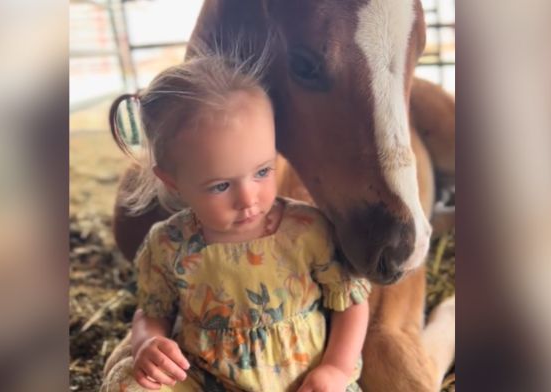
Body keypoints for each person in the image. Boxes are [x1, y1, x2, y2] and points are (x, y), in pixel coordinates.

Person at [101, 53, 371, 392]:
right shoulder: (168, 244)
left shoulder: (307, 230)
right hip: (204, 379)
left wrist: (335, 369)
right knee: (131, 384)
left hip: (301, 383)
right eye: (221, 185)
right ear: (173, 182)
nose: (249, 198)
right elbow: (152, 312)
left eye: (262, 171)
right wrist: (147, 344)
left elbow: (351, 303)